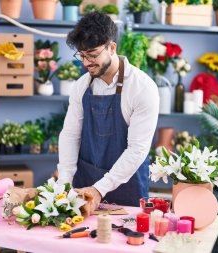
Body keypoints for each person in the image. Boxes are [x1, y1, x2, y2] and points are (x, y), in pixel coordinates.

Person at [57, 12, 159, 214]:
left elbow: (137, 150)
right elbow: (70, 134)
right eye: (82, 55)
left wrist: (99, 189)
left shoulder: (142, 88)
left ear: (112, 47)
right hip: (85, 184)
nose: (86, 63)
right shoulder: (81, 86)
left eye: (92, 55)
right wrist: (64, 182)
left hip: (127, 188)